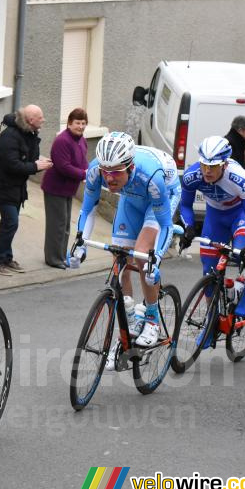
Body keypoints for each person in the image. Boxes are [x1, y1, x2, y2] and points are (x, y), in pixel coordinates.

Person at [72, 132, 175, 357]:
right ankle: (129, 322)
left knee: (142, 254)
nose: (109, 179)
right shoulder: (95, 170)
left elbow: (166, 225)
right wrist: (80, 244)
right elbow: (87, 209)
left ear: (130, 167)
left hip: (159, 196)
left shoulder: (152, 177)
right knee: (119, 257)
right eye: (105, 171)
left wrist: (155, 259)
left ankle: (152, 319)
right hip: (131, 196)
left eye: (116, 172)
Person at [180, 136, 245, 346]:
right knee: (208, 271)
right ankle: (211, 321)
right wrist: (189, 227)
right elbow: (185, 205)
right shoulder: (191, 175)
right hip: (215, 217)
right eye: (204, 165)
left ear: (224, 164)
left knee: (241, 253)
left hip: (239, 216)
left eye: (213, 166)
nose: (207, 171)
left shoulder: (239, 178)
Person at [0, 105, 52, 275]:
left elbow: (30, 157)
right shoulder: (9, 137)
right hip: (4, 188)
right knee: (11, 223)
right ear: (30, 120)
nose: (43, 120)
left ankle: (6, 257)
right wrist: (36, 166)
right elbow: (13, 165)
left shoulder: (27, 133)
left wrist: (39, 158)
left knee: (9, 224)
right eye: (40, 117)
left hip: (16, 188)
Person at [42, 108, 88, 268]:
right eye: (77, 123)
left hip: (68, 189)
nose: (80, 126)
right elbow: (63, 166)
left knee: (65, 225)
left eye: (83, 123)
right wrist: (83, 174)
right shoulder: (62, 140)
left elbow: (83, 161)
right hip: (55, 188)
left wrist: (89, 171)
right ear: (69, 123)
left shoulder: (81, 140)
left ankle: (61, 256)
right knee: (57, 225)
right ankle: (53, 258)